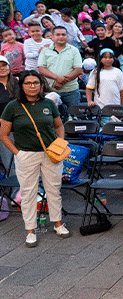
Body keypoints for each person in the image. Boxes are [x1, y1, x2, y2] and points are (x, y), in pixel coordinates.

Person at [0, 71, 70, 247]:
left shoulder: (48, 103)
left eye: (36, 83)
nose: (32, 86)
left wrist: (59, 144)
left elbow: (59, 126)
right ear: (21, 86)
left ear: (41, 85)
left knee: (53, 189)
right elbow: (4, 134)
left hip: (50, 154)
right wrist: (17, 153)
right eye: (28, 83)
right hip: (26, 155)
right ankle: (30, 230)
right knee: (28, 193)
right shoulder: (12, 106)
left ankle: (58, 223)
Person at [37, 26, 83, 110]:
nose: (61, 37)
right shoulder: (45, 50)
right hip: (50, 90)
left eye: (63, 34)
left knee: (73, 117)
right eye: (58, 34)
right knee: (51, 117)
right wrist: (57, 78)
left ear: (67, 37)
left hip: (71, 91)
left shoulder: (74, 50)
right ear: (52, 37)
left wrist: (61, 82)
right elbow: (41, 69)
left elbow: (78, 69)